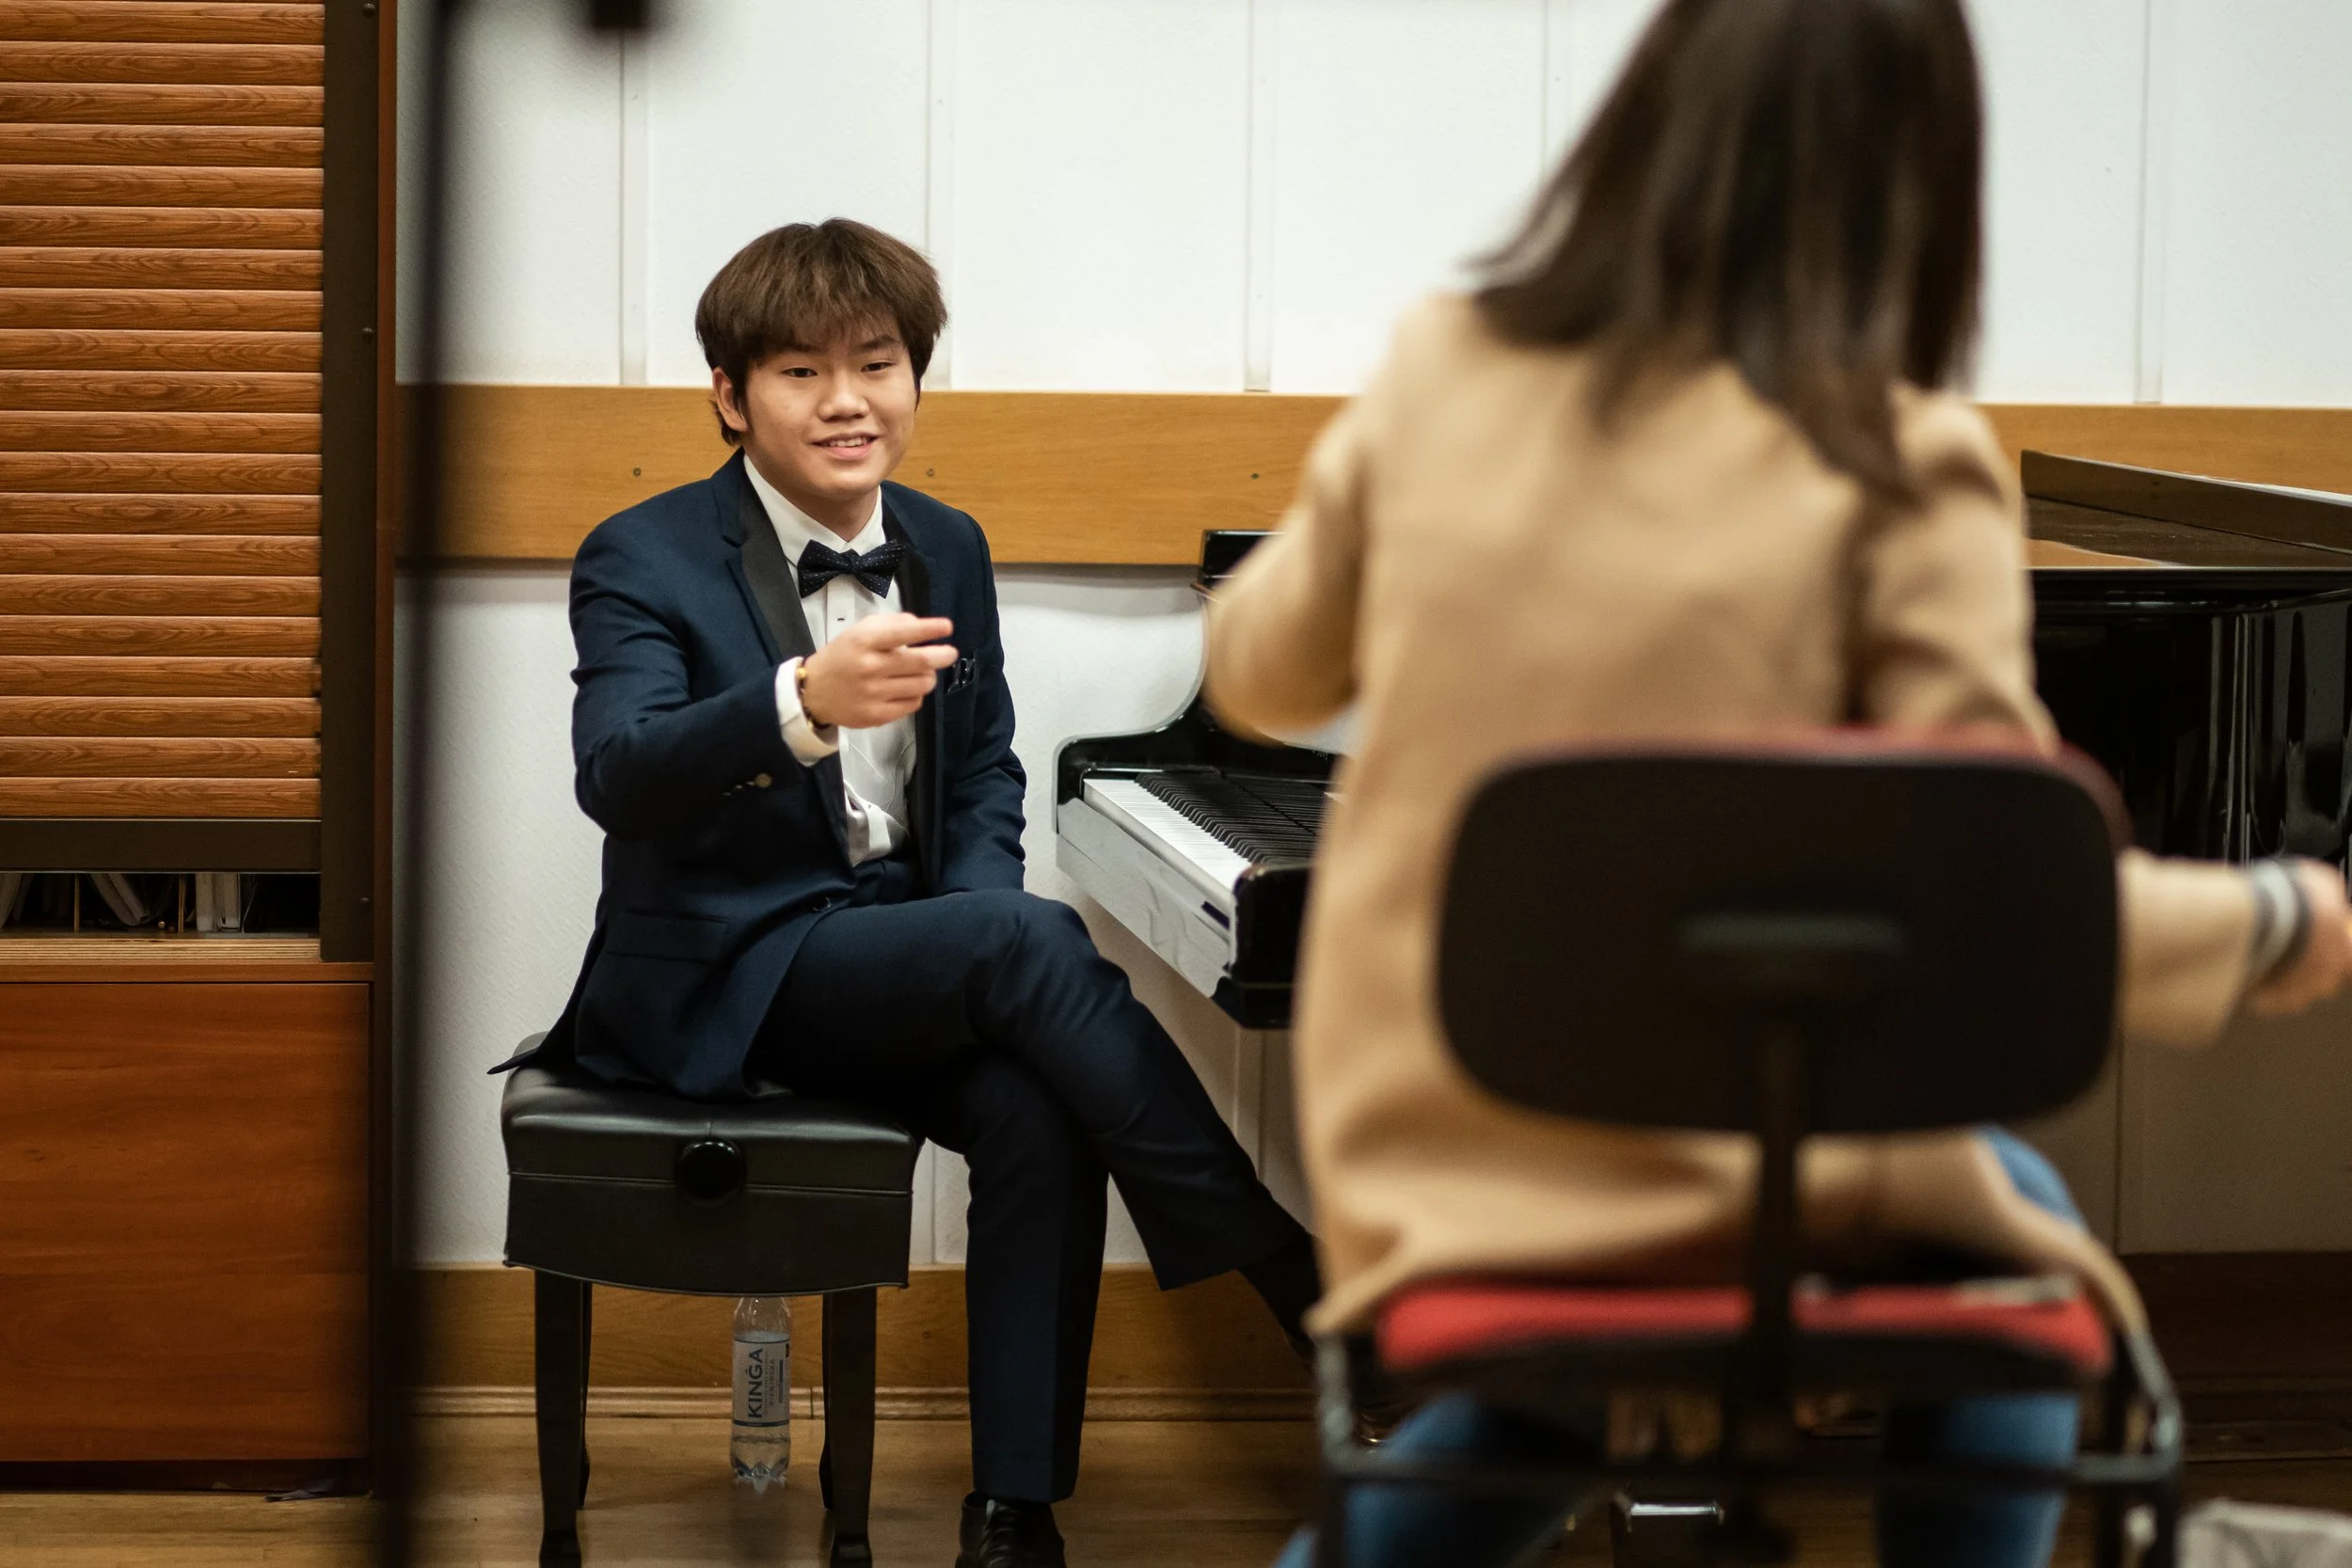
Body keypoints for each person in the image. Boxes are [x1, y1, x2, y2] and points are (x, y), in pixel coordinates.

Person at [1202, 2, 2352, 1565]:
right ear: (1917, 172)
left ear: (1649, 123)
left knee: (1562, 1380)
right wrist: (2273, 919)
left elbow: (1258, 674)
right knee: (2014, 1260)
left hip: (1454, 1135)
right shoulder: (1897, 460)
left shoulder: (1441, 374)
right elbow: (2007, 898)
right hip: (1711, 1149)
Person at [538, 219, 1323, 1568]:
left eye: (877, 363)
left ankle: (1014, 1513)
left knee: (1037, 1096)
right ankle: (1294, 1279)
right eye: (799, 372)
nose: (847, 400)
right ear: (731, 397)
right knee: (1027, 950)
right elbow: (617, 773)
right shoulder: (642, 553)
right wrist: (794, 706)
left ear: (915, 377)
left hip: (892, 956)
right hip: (731, 980)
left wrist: (964, 933)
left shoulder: (947, 543)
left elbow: (983, 777)